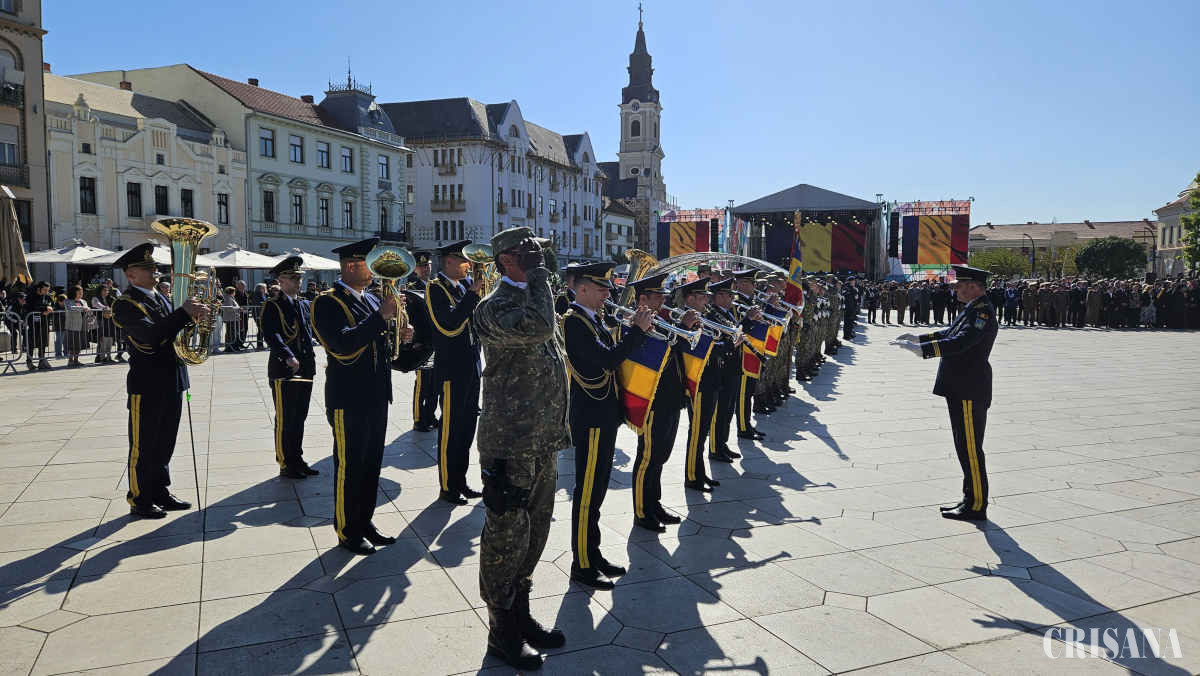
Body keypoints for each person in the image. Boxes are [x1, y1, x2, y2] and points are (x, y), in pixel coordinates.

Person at [473, 227, 569, 670]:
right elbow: (540, 327)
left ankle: (521, 613)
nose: (538, 260)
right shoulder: (494, 307)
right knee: (505, 539)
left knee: (535, 533)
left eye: (538, 254)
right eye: (527, 254)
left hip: (543, 439)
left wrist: (540, 277)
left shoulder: (535, 297)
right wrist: (539, 277)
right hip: (510, 443)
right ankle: (501, 629)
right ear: (505, 261)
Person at [311, 237, 411, 555]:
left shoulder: (369, 299)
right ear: (352, 266)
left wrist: (402, 334)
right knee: (350, 466)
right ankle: (347, 530)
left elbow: (379, 344)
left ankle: (364, 522)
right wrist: (381, 316)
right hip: (348, 397)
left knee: (371, 466)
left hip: (377, 394)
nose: (375, 272)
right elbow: (343, 345)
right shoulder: (328, 302)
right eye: (370, 266)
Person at [562, 261, 649, 589]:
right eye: (601, 290)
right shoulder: (574, 321)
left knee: (597, 489)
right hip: (591, 416)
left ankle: (593, 553)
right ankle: (582, 564)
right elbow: (609, 359)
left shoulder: (593, 318)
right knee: (587, 491)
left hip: (603, 413)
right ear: (582, 288)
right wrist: (637, 331)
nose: (607, 296)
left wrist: (631, 329)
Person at [893, 264, 998, 521]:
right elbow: (949, 333)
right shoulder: (972, 308)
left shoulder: (982, 312)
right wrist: (920, 339)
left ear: (974, 287)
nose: (956, 290)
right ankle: (969, 498)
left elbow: (962, 341)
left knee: (970, 448)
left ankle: (976, 505)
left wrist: (926, 351)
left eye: (960, 286)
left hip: (969, 387)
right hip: (961, 386)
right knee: (963, 446)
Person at [111, 243, 208, 518]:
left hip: (173, 379)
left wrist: (196, 319)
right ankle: (140, 498)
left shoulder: (161, 298)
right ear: (131, 274)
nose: (155, 272)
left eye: (154, 268)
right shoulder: (126, 304)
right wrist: (183, 313)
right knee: (143, 445)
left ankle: (160, 491)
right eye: (148, 269)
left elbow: (174, 331)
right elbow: (150, 336)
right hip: (147, 384)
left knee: (165, 441)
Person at [629, 272, 696, 532]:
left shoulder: (662, 320)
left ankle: (654, 503)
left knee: (661, 455)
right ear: (642, 299)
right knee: (647, 457)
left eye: (662, 296)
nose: (662, 301)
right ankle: (641, 511)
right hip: (652, 401)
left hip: (671, 397)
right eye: (657, 297)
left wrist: (686, 328)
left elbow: (678, 350)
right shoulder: (633, 324)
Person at [425, 240, 484, 504]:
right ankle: (448, 486)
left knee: (467, 429)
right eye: (463, 261)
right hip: (452, 369)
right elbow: (449, 324)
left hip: (471, 366)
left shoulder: (463, 286)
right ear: (448, 262)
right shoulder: (435, 288)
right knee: (451, 429)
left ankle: (461, 480)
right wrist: (472, 294)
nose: (468, 265)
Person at [262, 256, 318, 479]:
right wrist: (288, 356)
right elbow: (271, 334)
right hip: (285, 369)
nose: (298, 282)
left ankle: (297, 458)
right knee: (286, 418)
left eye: (299, 278)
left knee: (299, 417)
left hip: (306, 368)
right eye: (293, 278)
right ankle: (286, 462)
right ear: (281, 280)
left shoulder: (303, 304)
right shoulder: (273, 305)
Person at [406, 250, 439, 433]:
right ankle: (419, 419)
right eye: (421, 266)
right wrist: (415, 342)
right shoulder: (411, 288)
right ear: (415, 269)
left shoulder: (436, 286)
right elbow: (410, 318)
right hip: (422, 343)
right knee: (422, 384)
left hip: (436, 342)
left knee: (434, 383)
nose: (425, 269)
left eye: (427, 265)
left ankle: (430, 415)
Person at [63, 285, 91, 368]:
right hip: (72, 325)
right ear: (74, 293)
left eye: (81, 292)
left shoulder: (83, 301)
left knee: (79, 344)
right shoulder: (67, 301)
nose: (81, 294)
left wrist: (86, 309)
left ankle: (76, 360)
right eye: (79, 292)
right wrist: (83, 308)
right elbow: (70, 308)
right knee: (72, 344)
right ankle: (70, 360)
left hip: (82, 325)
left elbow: (87, 308)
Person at [26, 281, 52, 370]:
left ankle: (42, 360)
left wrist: (49, 309)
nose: (46, 292)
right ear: (39, 289)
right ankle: (29, 362)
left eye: (47, 290)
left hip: (44, 322)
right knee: (31, 343)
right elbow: (32, 307)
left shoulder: (47, 296)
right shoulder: (31, 296)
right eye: (44, 290)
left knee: (43, 342)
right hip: (33, 323)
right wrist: (44, 309)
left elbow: (51, 305)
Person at [92, 285, 117, 363]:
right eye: (104, 290)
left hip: (110, 320)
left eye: (107, 290)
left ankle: (108, 356)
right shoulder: (95, 298)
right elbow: (97, 305)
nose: (106, 292)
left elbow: (115, 305)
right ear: (100, 290)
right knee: (102, 338)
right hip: (100, 320)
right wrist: (106, 308)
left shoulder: (110, 298)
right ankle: (101, 357)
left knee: (110, 338)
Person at [250, 282, 269, 350]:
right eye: (264, 287)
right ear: (260, 288)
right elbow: (257, 304)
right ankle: (259, 344)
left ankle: (263, 344)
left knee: (263, 329)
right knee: (261, 329)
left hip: (264, 314)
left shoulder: (265, 294)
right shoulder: (256, 294)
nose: (265, 289)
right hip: (258, 314)